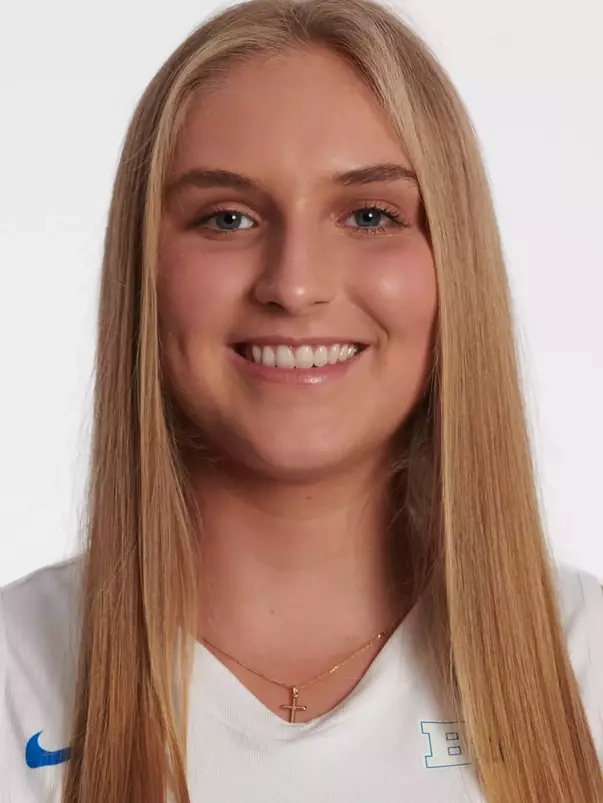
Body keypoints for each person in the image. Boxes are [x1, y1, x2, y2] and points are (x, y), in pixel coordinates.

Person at [1, 0, 602, 800]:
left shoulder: (588, 665)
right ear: (144, 270)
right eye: (227, 217)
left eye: (369, 214)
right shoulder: (14, 675)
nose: (294, 284)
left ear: (453, 262)